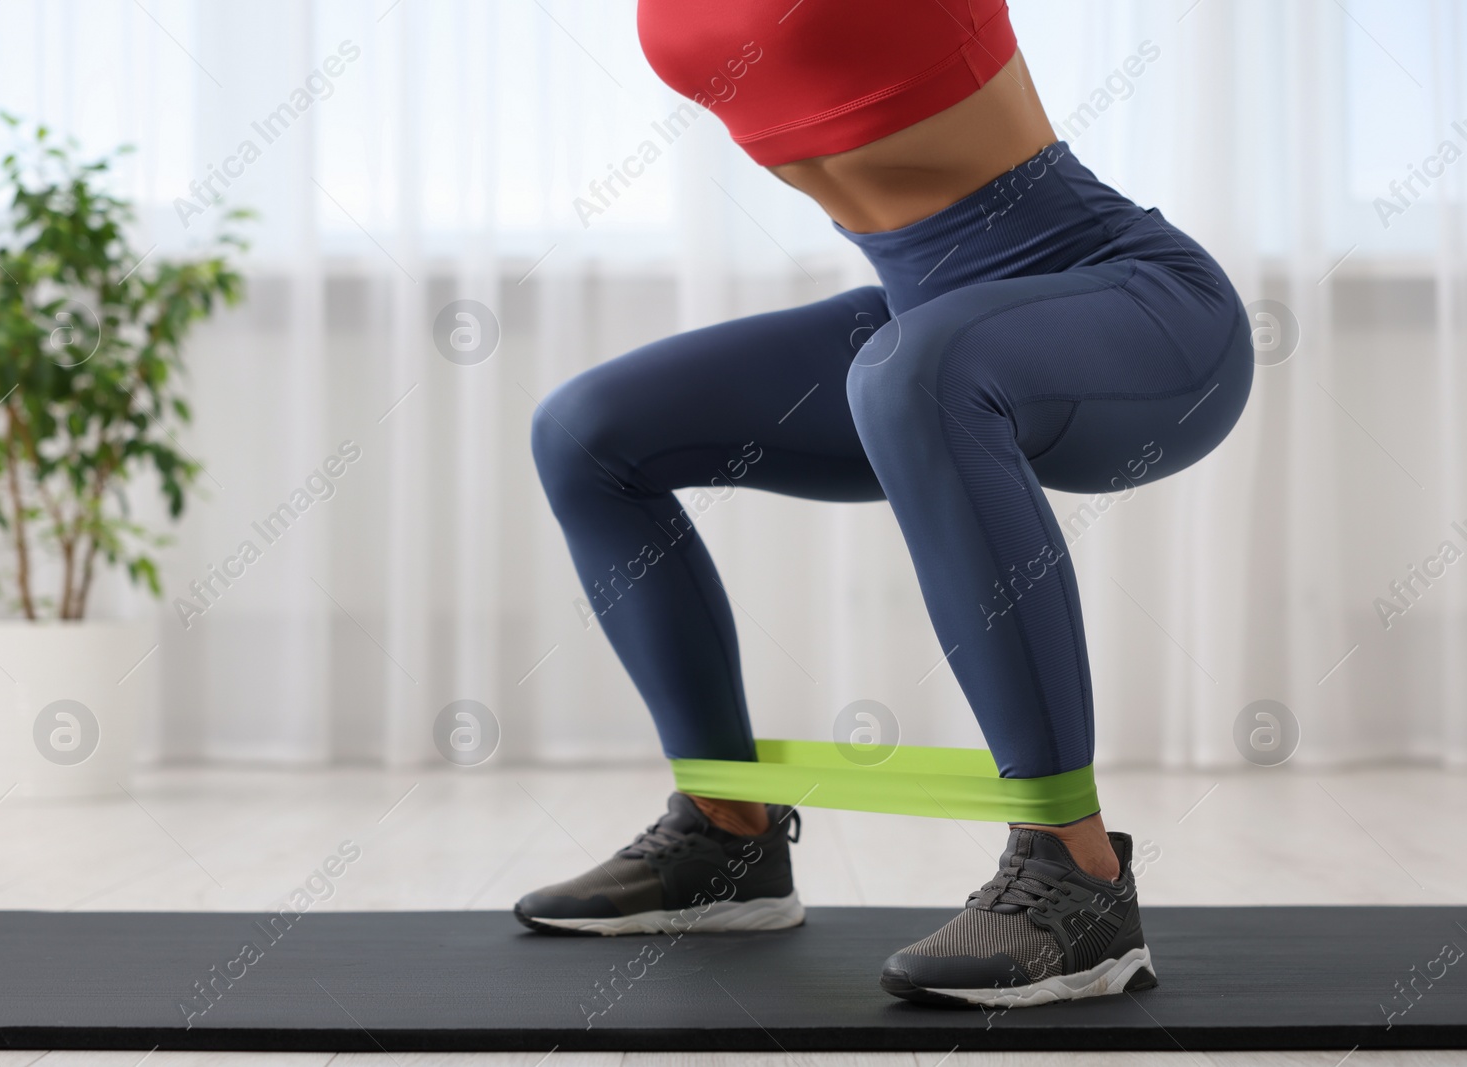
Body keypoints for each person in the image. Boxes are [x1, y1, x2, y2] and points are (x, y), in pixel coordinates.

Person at [515, 0, 1252, 1008]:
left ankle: (1073, 873)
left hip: (1136, 310)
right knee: (587, 432)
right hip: (926, 324)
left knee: (910, 373)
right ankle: (725, 837)